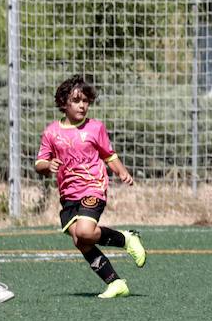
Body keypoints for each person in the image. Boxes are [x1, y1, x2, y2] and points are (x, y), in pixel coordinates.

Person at [34, 74, 146, 299]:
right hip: (68, 195)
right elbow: (39, 164)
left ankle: (126, 239)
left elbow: (109, 155)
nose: (82, 105)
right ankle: (116, 283)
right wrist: (48, 165)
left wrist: (121, 171)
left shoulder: (95, 128)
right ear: (64, 102)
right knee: (80, 240)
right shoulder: (51, 132)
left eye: (86, 101)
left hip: (93, 187)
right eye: (77, 100)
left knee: (85, 231)